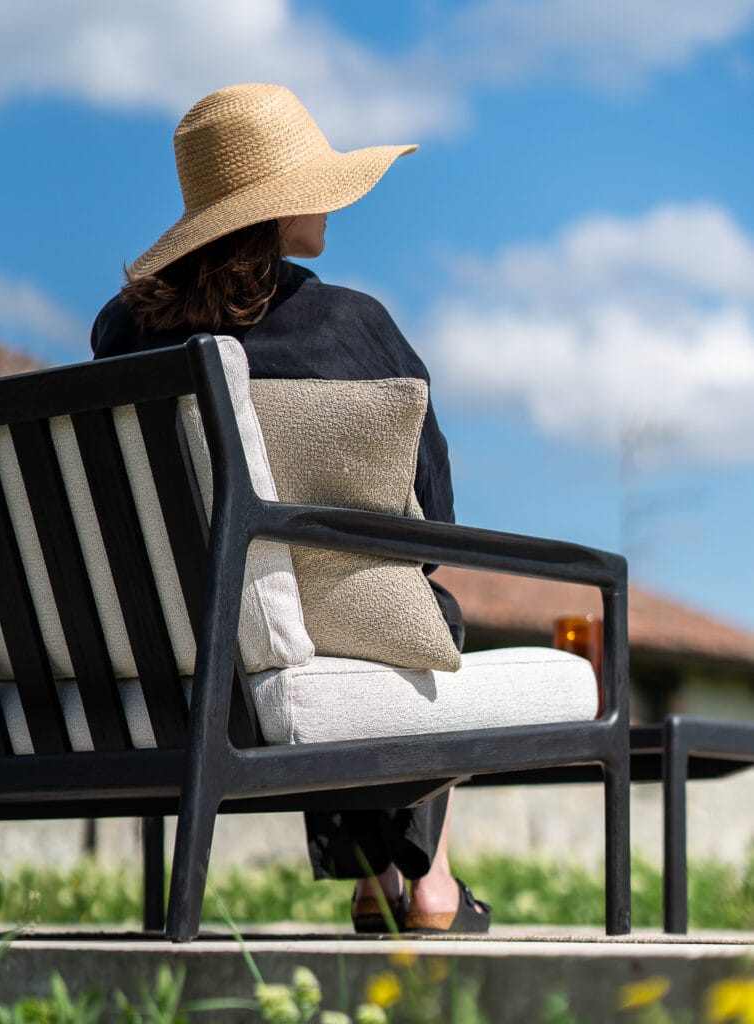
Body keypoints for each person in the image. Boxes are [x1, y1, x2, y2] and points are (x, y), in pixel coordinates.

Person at [91, 82, 490, 934]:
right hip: (292, 645)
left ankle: (381, 873)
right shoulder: (346, 325)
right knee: (418, 612)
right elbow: (432, 516)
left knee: (316, 611)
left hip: (158, 656)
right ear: (276, 209)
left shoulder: (120, 334)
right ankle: (427, 881)